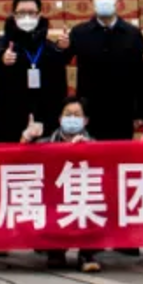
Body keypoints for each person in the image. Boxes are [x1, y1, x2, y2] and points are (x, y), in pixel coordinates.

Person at [62, 0, 143, 141]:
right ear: (91, 1)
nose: (105, 0)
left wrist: (141, 113)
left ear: (118, 1)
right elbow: (61, 60)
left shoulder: (133, 34)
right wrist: (61, 47)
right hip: (89, 112)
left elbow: (141, 76)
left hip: (122, 111)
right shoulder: (79, 32)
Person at [31, 96, 102, 273]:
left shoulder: (96, 145)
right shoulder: (44, 144)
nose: (72, 118)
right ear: (60, 119)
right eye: (68, 114)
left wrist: (86, 151)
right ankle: (55, 249)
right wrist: (26, 139)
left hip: (81, 197)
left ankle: (87, 253)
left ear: (85, 121)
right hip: (54, 198)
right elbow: (18, 163)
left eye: (77, 115)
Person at [0, 0, 68, 143]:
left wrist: (62, 49)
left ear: (39, 15)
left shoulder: (50, 48)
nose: (26, 17)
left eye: (31, 13)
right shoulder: (4, 44)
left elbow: (60, 89)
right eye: (21, 13)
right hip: (9, 125)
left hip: (46, 126)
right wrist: (2, 57)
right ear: (14, 15)